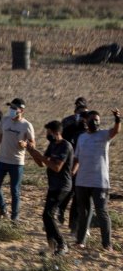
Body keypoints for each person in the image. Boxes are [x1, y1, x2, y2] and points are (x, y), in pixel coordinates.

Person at [73, 108, 120, 252]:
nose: (94, 122)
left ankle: (107, 244)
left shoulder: (103, 135)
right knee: (84, 212)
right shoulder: (82, 137)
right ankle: (80, 241)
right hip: (82, 181)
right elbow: (77, 158)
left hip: (99, 181)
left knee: (102, 212)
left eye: (97, 120)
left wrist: (118, 119)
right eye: (92, 119)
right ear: (86, 121)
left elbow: (115, 131)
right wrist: (72, 174)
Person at [25, 120, 74, 256]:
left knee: (49, 215)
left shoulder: (66, 146)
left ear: (56, 132)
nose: (47, 135)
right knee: (46, 216)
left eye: (49, 132)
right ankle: (52, 247)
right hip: (53, 185)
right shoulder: (52, 145)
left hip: (63, 186)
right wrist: (31, 151)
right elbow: (41, 163)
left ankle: (62, 244)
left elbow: (56, 167)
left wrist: (41, 156)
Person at [0, 98, 35, 223]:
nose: (11, 110)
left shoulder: (26, 125)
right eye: (11, 107)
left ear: (21, 110)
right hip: (2, 160)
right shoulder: (5, 120)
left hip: (17, 162)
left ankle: (15, 217)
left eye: (14, 108)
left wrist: (25, 144)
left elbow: (32, 144)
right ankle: (3, 210)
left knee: (14, 190)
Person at [58, 97, 89, 229]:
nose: (82, 114)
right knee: (68, 189)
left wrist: (85, 123)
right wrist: (75, 123)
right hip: (70, 160)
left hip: (84, 162)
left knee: (78, 194)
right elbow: (61, 136)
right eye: (79, 111)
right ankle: (60, 210)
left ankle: (73, 224)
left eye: (84, 112)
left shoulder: (89, 121)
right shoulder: (68, 121)